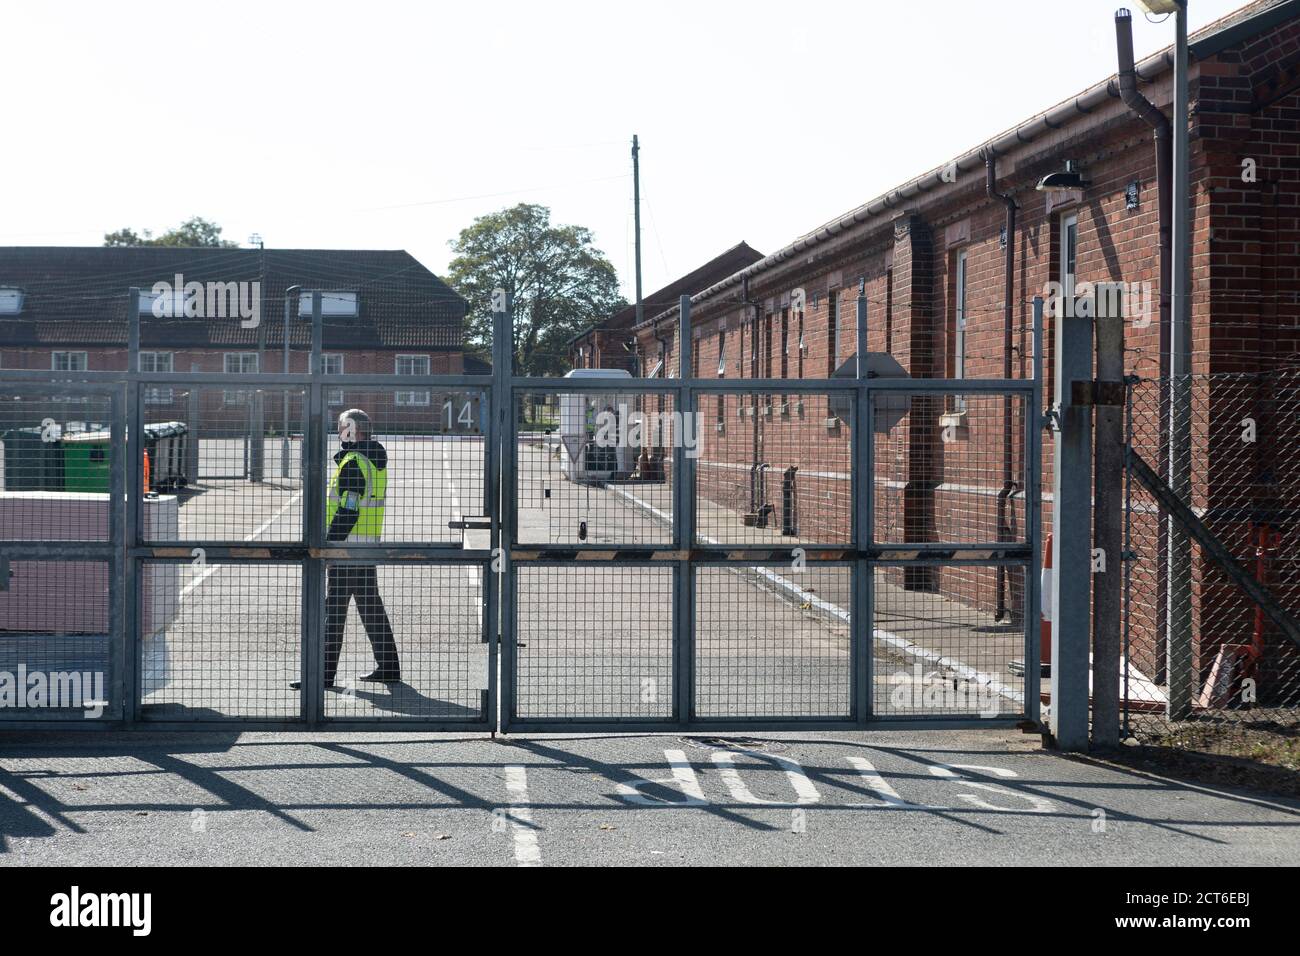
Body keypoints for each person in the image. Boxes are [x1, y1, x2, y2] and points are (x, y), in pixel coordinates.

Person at [290, 408, 401, 690]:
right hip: (366, 549)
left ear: (352, 429)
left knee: (333, 612)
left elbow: (348, 511)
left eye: (341, 427)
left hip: (346, 551)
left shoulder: (353, 463)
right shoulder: (373, 461)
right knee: (370, 606)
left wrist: (329, 547)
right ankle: (388, 666)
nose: (339, 432)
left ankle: (321, 676)